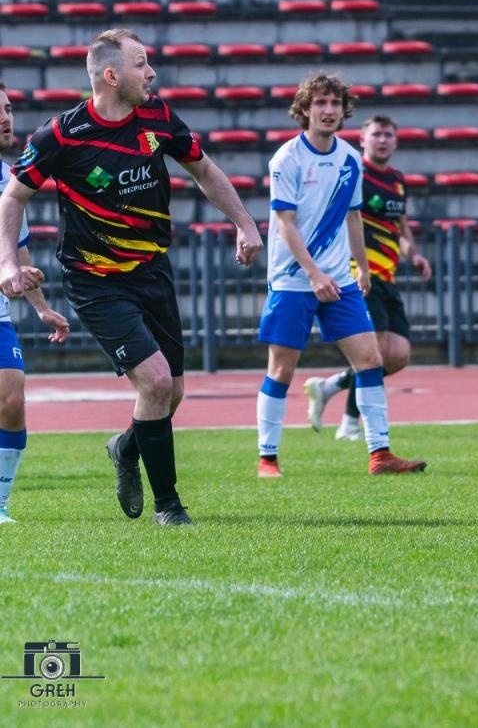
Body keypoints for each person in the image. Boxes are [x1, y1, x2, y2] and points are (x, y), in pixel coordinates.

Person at [0, 29, 263, 526]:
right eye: (142, 64)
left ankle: (124, 448)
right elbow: (12, 196)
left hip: (151, 271)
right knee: (157, 381)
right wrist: (8, 263)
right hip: (95, 280)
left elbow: (204, 171)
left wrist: (245, 222)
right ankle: (169, 506)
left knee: (170, 393)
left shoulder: (158, 116)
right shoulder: (62, 134)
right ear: (111, 75)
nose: (152, 73)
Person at [255, 74, 426, 479]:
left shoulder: (350, 159)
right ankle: (267, 459)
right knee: (281, 368)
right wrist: (313, 274)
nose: (329, 111)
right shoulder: (287, 159)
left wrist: (362, 268)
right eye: (321, 103)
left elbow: (352, 216)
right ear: (305, 109)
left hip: (340, 280)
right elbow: (286, 224)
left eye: (335, 103)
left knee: (370, 360)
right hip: (293, 280)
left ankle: (380, 454)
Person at [304, 116, 432, 442]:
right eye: (376, 134)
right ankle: (349, 423)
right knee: (372, 350)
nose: (383, 140)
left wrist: (413, 254)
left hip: (387, 276)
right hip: (359, 274)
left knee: (398, 354)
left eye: (389, 135)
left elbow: (399, 227)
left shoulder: (397, 181)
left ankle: (330, 385)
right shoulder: (353, 172)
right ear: (363, 139)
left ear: (396, 141)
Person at [0, 85, 73, 524]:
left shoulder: (11, 182)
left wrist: (41, 306)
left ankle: (0, 504)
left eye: (7, 109)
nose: (6, 118)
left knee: (11, 399)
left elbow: (17, 251)